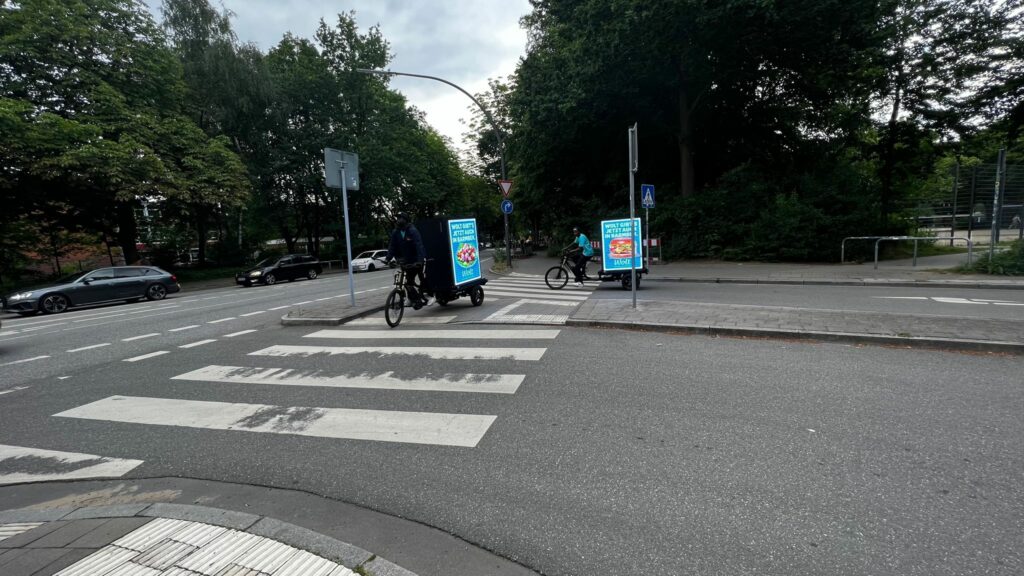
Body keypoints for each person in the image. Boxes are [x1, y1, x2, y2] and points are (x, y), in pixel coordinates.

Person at [387, 213, 432, 309]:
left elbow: (418, 245)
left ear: (405, 219)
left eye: (400, 218)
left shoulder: (412, 231)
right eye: (397, 218)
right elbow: (392, 246)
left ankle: (431, 296)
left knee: (423, 278)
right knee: (408, 282)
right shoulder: (396, 232)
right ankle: (413, 299)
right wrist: (388, 258)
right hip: (407, 261)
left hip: (417, 259)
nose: (398, 220)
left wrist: (420, 260)